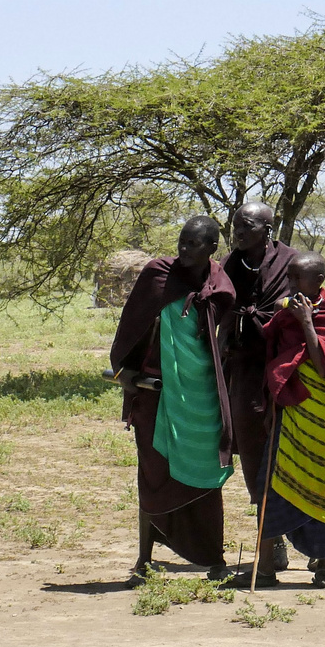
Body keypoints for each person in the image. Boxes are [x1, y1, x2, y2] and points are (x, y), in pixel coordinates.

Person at [110, 217, 237, 584]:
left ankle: (213, 557)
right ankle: (144, 559)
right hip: (155, 391)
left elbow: (222, 335)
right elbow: (133, 325)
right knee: (152, 472)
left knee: (206, 472)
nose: (184, 249)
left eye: (194, 244)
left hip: (202, 393)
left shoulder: (218, 283)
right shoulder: (158, 274)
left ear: (212, 247)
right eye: (182, 241)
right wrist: (128, 371)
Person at [249, 252, 325, 588]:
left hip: (323, 411)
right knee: (270, 484)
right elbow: (272, 348)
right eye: (290, 278)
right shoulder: (285, 312)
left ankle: (323, 565)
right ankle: (264, 568)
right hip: (291, 409)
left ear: (319, 281)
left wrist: (307, 321)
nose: (292, 285)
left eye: (299, 279)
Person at [220, 202, 299, 575]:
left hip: (284, 367)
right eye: (235, 225)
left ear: (268, 228)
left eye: (246, 225)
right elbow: (218, 308)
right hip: (244, 368)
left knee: (288, 448)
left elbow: (304, 307)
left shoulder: (291, 261)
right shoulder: (230, 264)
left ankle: (306, 539)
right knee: (251, 445)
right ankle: (271, 540)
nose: (238, 231)